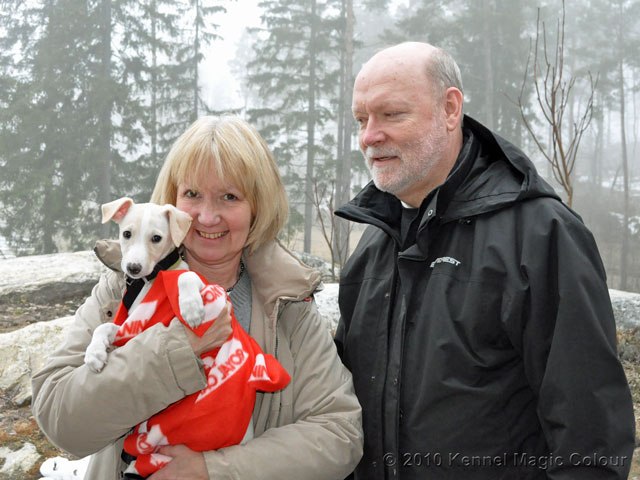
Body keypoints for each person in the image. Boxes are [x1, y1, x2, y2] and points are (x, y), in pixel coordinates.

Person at [334, 42, 635, 480]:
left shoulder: (541, 235)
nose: (369, 136)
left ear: (450, 109)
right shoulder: (373, 242)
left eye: (392, 114)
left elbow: (591, 438)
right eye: (362, 120)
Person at [32, 115, 363, 480]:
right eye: (192, 194)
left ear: (257, 208)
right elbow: (60, 418)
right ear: (171, 200)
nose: (206, 217)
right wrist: (178, 348)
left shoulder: (288, 303)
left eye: (230, 196)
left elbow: (339, 433)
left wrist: (214, 470)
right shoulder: (122, 288)